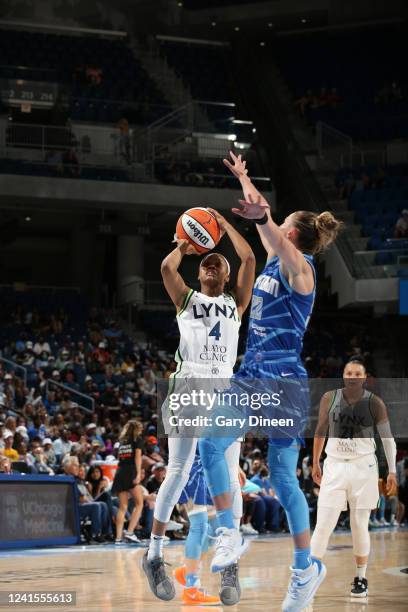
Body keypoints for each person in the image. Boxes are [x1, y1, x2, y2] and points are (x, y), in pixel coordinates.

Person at [197, 151, 342, 611]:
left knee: (283, 477)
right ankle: (227, 531)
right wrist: (244, 179)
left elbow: (271, 231)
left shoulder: (302, 271)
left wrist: (262, 216)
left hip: (283, 378)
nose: (273, 225)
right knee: (208, 443)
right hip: (251, 370)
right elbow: (265, 220)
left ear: (295, 233)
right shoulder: (273, 257)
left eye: (281, 224)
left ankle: (305, 570)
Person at [142, 208, 255, 605]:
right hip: (189, 383)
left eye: (216, 263)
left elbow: (250, 259)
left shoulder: (236, 303)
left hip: (223, 389)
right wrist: (183, 245)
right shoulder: (185, 298)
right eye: (205, 263)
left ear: (224, 276)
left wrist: (225, 228)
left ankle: (229, 565)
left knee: (228, 471)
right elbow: (166, 268)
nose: (210, 265)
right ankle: (153, 553)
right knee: (180, 466)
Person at [311, 356, 397, 598]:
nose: (353, 377)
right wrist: (316, 461)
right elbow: (320, 430)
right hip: (335, 465)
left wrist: (391, 470)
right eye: (350, 372)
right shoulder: (330, 397)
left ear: (365, 377)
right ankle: (309, 576)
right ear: (344, 375)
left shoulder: (375, 403)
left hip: (364, 468)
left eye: (358, 373)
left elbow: (388, 439)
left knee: (359, 525)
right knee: (323, 524)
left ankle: (361, 578)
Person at [111, 420, 144, 544]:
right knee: (139, 504)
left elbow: (120, 458)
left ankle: (118, 538)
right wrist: (138, 473)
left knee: (122, 507)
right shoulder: (137, 440)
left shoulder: (122, 442)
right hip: (130, 472)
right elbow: (137, 457)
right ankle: (130, 532)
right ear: (136, 429)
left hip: (120, 472)